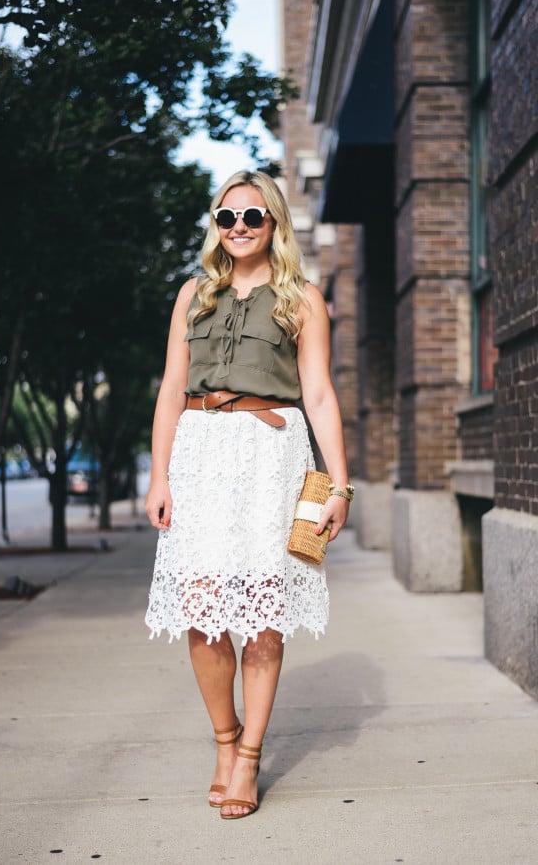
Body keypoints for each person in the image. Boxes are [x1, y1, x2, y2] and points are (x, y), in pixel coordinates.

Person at [144, 170, 351, 820]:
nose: (237, 227)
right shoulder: (193, 295)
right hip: (201, 454)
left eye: (251, 217)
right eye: (226, 216)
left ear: (274, 224)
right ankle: (224, 738)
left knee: (263, 610)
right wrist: (158, 474)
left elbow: (317, 394)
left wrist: (338, 482)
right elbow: (172, 389)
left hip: (272, 454)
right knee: (203, 605)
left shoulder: (302, 298)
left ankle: (250, 756)